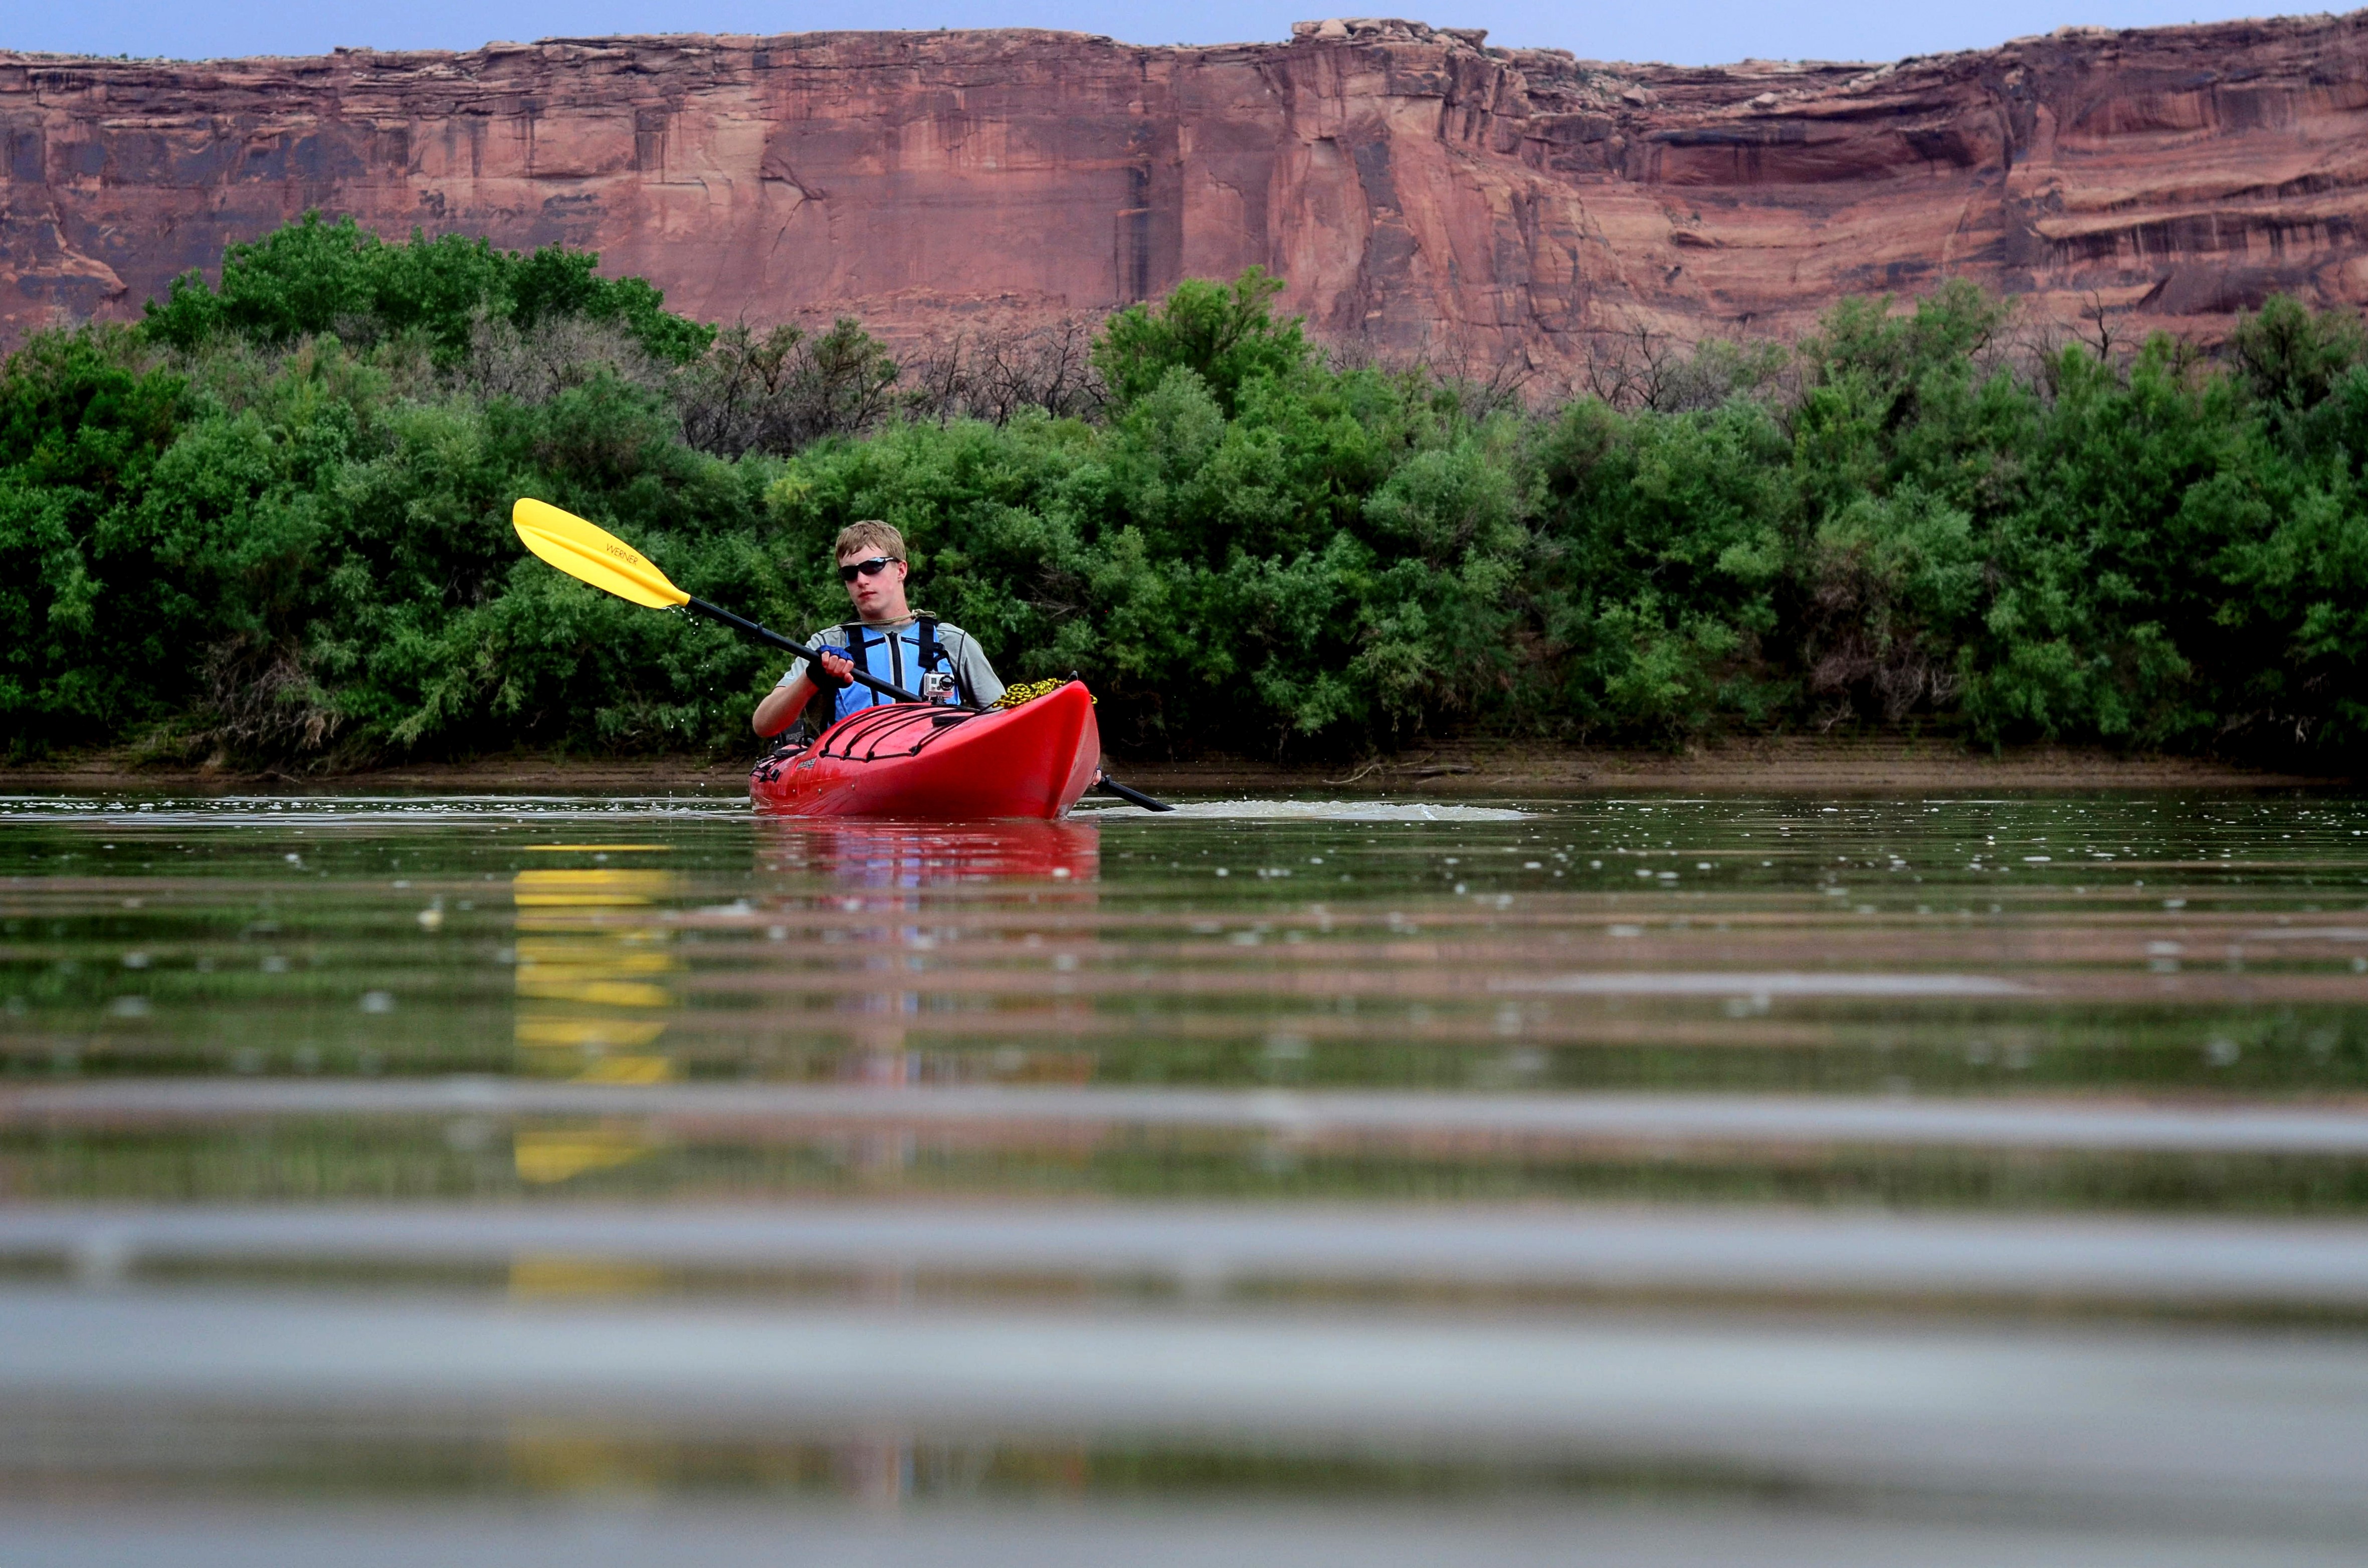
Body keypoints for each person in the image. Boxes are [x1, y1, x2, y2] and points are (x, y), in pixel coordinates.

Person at [751, 521, 1007, 743]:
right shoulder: (828, 643)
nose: (861, 580)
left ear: (901, 570)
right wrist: (811, 679)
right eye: (850, 573)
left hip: (938, 756)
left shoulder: (953, 642)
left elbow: (1004, 719)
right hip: (852, 770)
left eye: (873, 567)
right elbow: (764, 724)